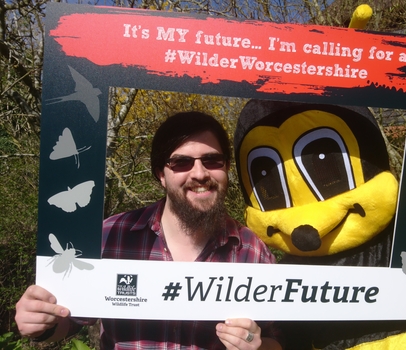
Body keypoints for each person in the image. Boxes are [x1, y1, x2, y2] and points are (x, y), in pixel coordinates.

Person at [15, 111, 284, 350]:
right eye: (181, 163)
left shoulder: (253, 251)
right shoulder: (110, 235)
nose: (200, 173)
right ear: (160, 175)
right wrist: (40, 322)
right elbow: (68, 320)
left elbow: (276, 339)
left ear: (226, 169)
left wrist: (256, 346)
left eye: (213, 160)